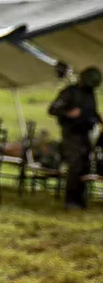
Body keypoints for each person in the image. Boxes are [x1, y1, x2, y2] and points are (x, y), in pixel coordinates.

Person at [49, 66, 102, 210]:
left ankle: (80, 199)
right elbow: (53, 109)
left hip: (86, 134)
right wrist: (68, 113)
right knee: (75, 166)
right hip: (71, 135)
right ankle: (71, 201)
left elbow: (93, 111)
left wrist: (99, 120)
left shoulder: (90, 94)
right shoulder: (69, 92)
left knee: (85, 166)